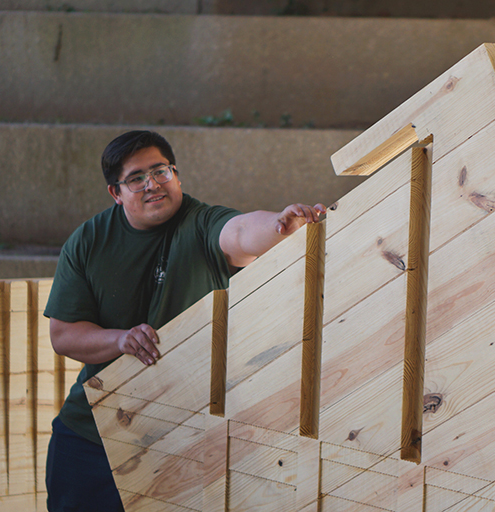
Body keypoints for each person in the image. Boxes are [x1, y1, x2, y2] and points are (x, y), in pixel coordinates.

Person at [44, 130, 326, 511]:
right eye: (137, 178)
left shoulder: (201, 223)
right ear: (116, 192)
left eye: (161, 171)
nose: (152, 185)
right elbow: (63, 335)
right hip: (93, 434)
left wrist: (281, 225)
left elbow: (242, 231)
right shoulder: (87, 241)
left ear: (176, 174)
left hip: (186, 436)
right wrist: (121, 340)